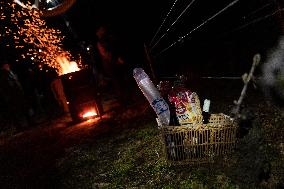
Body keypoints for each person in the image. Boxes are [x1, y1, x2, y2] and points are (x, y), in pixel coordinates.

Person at [0, 60, 33, 130]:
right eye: (5, 66)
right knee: (16, 112)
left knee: (24, 108)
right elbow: (5, 87)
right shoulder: (3, 75)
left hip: (19, 93)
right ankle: (19, 126)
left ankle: (30, 122)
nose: (7, 66)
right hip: (12, 96)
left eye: (7, 65)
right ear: (3, 67)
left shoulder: (12, 72)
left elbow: (17, 82)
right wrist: (8, 96)